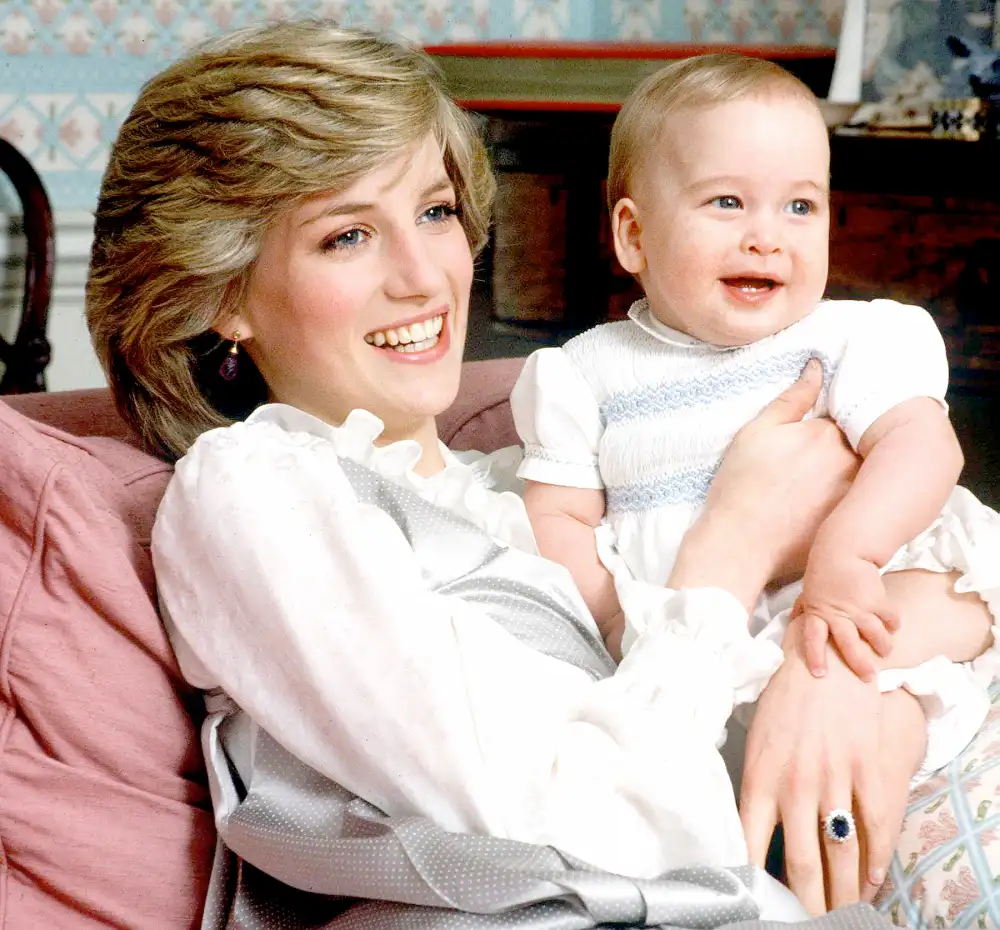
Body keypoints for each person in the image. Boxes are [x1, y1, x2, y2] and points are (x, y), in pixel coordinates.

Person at [83, 21, 993, 925]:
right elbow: (587, 835)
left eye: (435, 213)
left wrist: (839, 677)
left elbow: (971, 559)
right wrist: (734, 548)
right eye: (347, 236)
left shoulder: (530, 489)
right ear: (223, 293)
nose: (425, 277)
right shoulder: (255, 489)